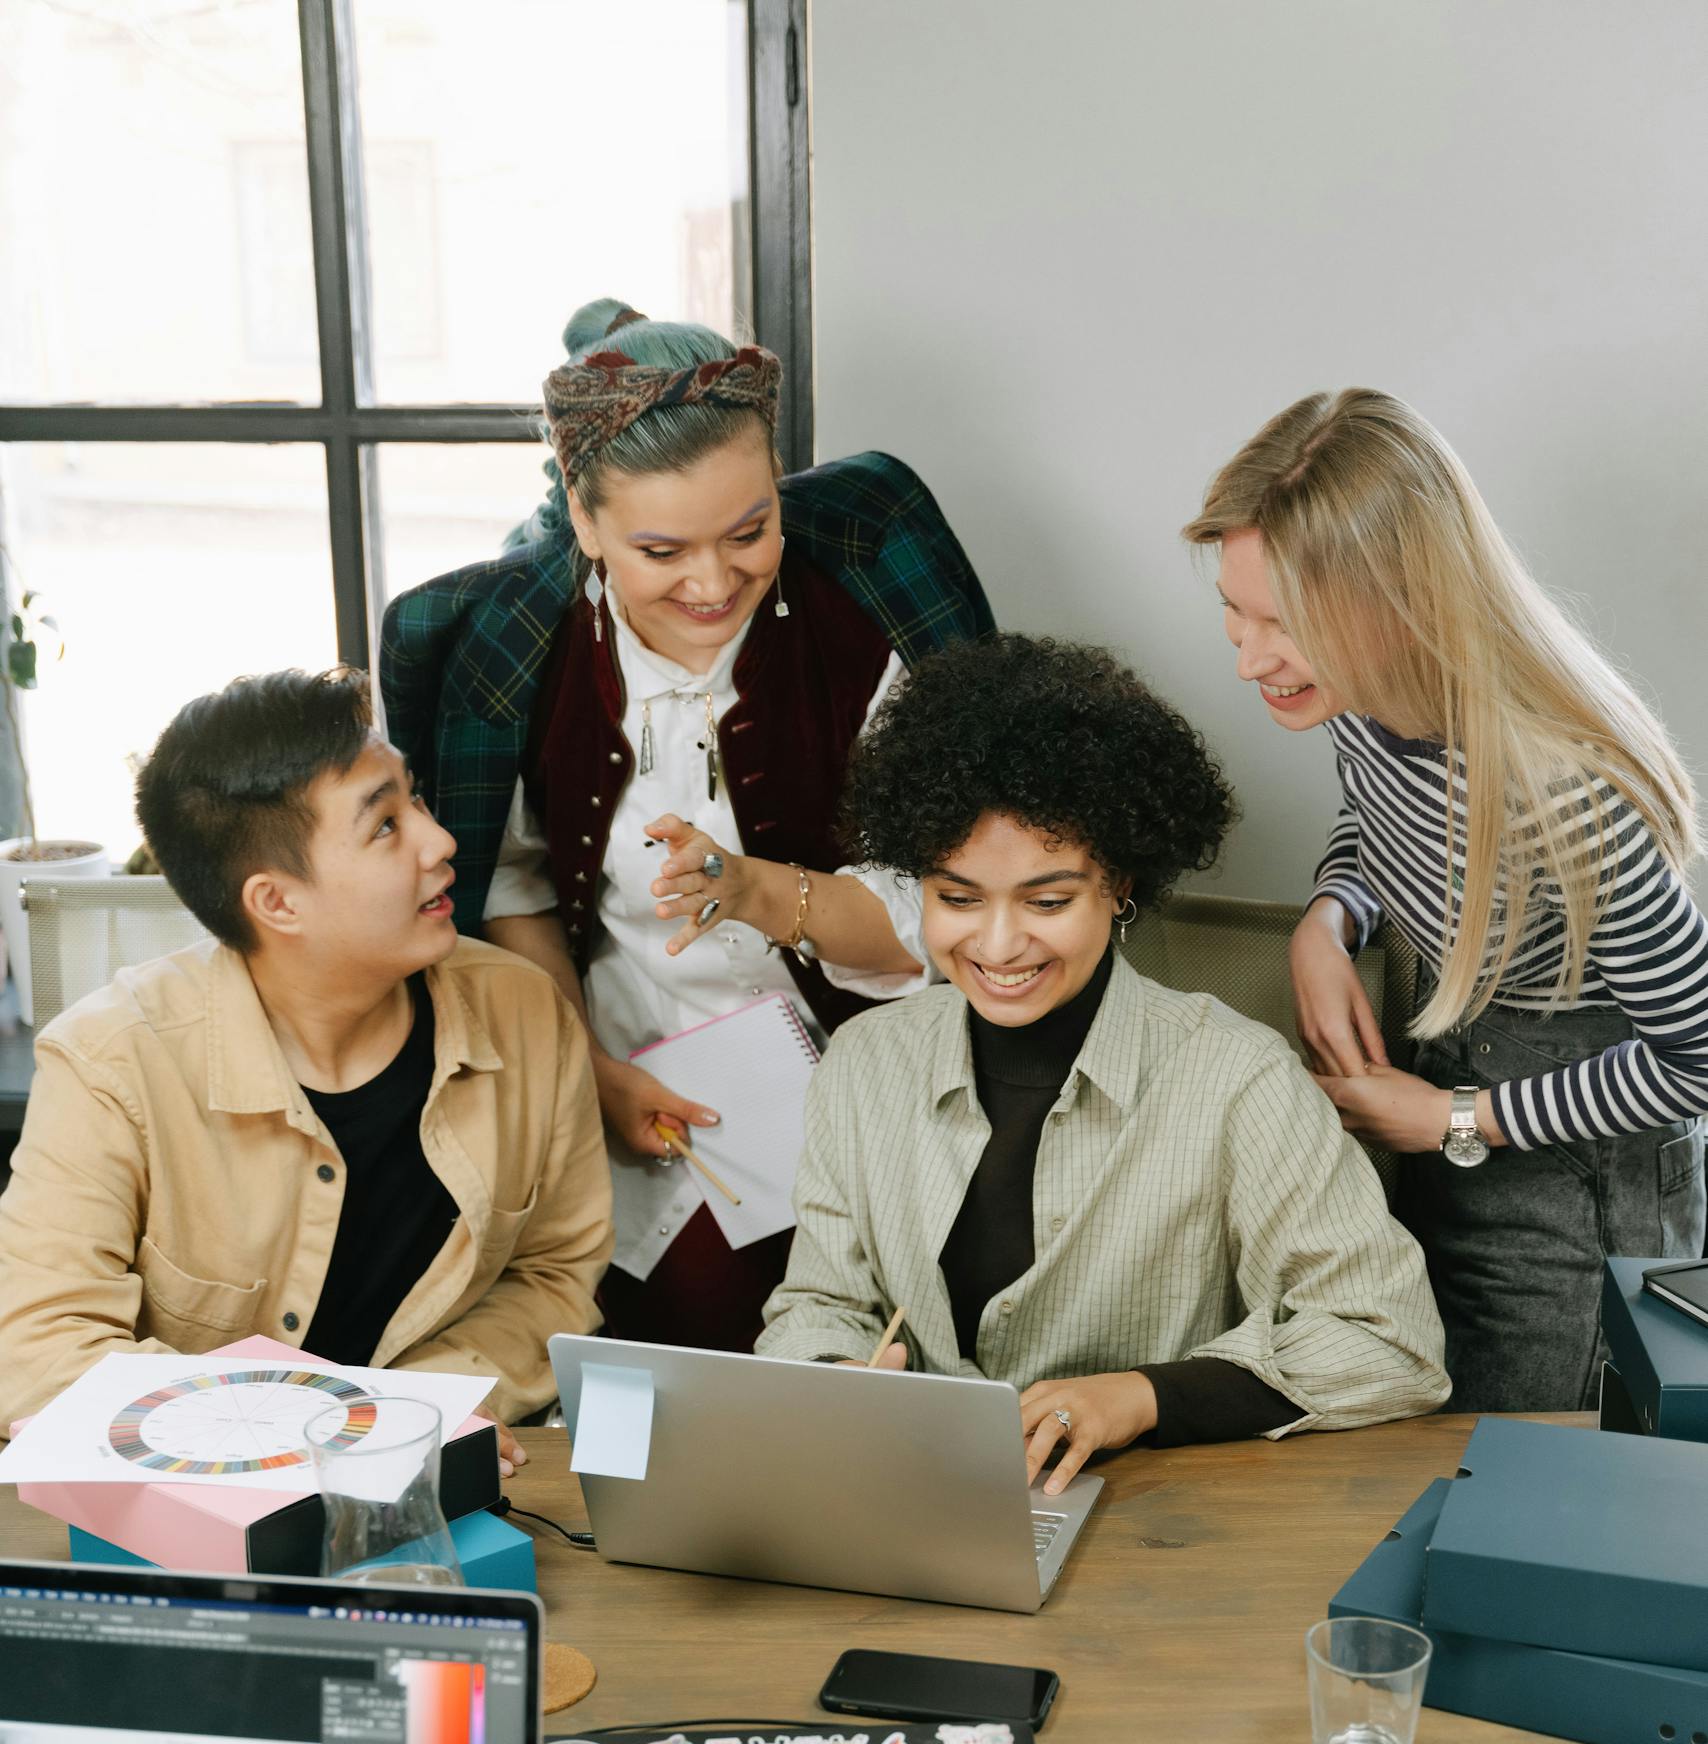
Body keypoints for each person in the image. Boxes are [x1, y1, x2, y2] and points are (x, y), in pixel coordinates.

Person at [383, 298, 991, 1352]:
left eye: (750, 531)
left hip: (859, 1078)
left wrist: (757, 891)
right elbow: (513, 888)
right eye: (661, 549)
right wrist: (586, 1071)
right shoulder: (517, 653)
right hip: (614, 1069)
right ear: (582, 519)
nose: (713, 583)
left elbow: (946, 911)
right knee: (643, 1379)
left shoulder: (867, 626)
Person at [756, 634, 1448, 1482]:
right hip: (910, 1506)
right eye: (956, 898)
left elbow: (1390, 1340)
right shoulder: (863, 1063)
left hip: (1156, 1534)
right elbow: (818, 1305)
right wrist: (834, 1379)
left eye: (1047, 900)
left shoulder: (1238, 1080)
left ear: (1118, 884)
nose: (999, 944)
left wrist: (1143, 1397)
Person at [1184, 389, 1707, 1410]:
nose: (1248, 660)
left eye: (1281, 625)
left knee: (1529, 1474)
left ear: (1402, 601)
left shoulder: (1566, 796)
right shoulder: (1356, 697)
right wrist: (1328, 921)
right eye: (1233, 614)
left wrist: (1455, 1118)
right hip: (1451, 1100)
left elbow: (1697, 1057)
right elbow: (1382, 825)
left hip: (1578, 1178)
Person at [0, 669, 613, 1437]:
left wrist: (412, 1415)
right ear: (276, 902)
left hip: (445, 1472)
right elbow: (39, 1352)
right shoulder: (108, 1063)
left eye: (412, 797)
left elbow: (553, 1276)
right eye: (385, 826)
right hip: (198, 1503)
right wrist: (328, 1430)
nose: (440, 840)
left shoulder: (523, 1012)